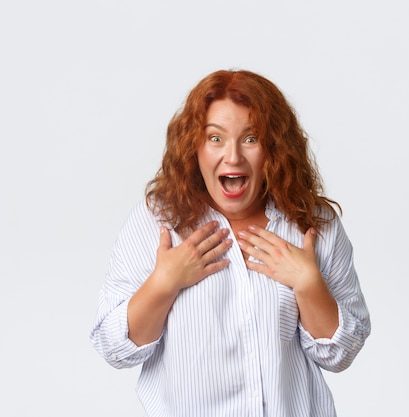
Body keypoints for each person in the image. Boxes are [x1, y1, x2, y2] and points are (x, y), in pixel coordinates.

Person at [90, 69, 371, 417]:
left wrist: (308, 284)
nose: (234, 157)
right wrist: (164, 283)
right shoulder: (156, 224)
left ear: (274, 148)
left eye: (251, 138)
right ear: (194, 147)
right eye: (216, 138)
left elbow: (342, 354)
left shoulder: (314, 225)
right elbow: (113, 348)